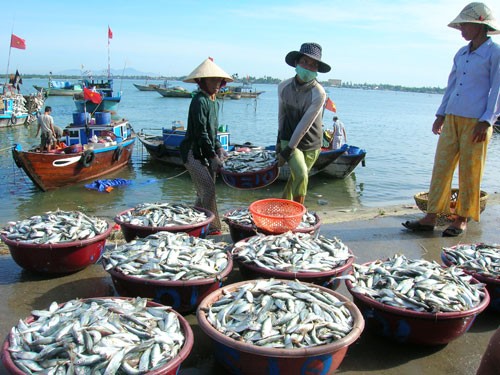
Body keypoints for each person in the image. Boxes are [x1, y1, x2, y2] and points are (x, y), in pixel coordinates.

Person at [402, 2, 500, 237]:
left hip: (477, 120)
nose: (461, 29)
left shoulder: (494, 52)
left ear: (480, 26)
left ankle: (462, 218)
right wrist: (440, 113)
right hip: (453, 116)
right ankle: (431, 215)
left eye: (465, 25)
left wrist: (487, 120)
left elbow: (497, 88)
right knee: (442, 167)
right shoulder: (462, 53)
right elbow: (452, 85)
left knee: (470, 170)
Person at [179, 58, 233, 236]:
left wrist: (219, 148)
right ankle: (213, 227)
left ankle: (193, 222)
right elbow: (201, 133)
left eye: (219, 81)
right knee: (208, 189)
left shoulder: (214, 102)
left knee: (203, 191)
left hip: (206, 153)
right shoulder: (199, 101)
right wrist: (213, 157)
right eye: (212, 80)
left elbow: (213, 131)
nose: (217, 84)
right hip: (193, 153)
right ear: (201, 81)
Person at [276, 42, 331, 204]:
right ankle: (298, 212)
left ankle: (284, 208)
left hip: (312, 142)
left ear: (317, 70)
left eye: (313, 65)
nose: (308, 66)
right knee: (301, 174)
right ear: (296, 63)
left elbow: (305, 124)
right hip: (288, 137)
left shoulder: (319, 93)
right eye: (305, 62)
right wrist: (280, 142)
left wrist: (288, 151)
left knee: (296, 179)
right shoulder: (283, 87)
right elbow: (281, 115)